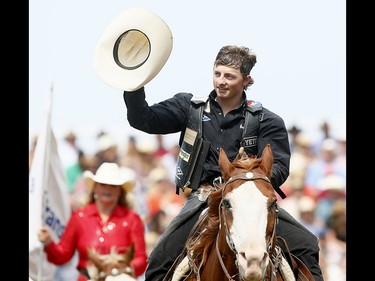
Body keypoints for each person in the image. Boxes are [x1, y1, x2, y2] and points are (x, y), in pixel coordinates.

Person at [122, 45, 323, 280]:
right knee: (158, 260)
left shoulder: (267, 120)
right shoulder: (190, 108)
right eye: (217, 73)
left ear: (246, 80)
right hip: (204, 200)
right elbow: (143, 119)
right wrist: (133, 82)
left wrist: (247, 173)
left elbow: (279, 168)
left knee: (307, 245)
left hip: (252, 202)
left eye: (230, 76)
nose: (221, 81)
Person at [37, 162, 148, 281]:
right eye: (103, 184)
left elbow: (141, 258)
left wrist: (124, 271)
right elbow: (62, 255)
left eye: (113, 186)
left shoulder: (132, 219)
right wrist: (49, 243)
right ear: (95, 188)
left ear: (119, 191)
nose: (107, 189)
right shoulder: (79, 217)